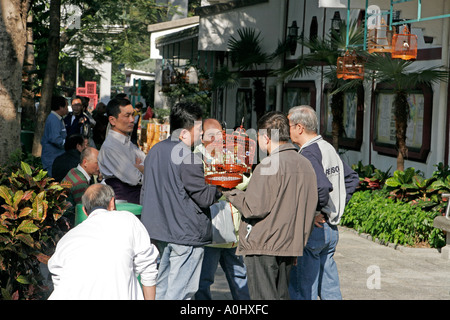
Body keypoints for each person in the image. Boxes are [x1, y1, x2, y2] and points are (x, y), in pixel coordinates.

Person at [222, 111, 318, 300]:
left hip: (264, 245)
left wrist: (230, 191)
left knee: (263, 298)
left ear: (266, 137)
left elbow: (254, 207)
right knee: (281, 295)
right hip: (290, 244)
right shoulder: (305, 164)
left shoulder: (269, 164)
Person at [140, 102, 222, 300]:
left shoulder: (155, 150)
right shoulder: (188, 157)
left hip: (159, 230)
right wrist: (220, 184)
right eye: (199, 130)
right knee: (181, 292)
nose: (201, 135)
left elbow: (146, 190)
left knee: (162, 287)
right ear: (185, 132)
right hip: (184, 234)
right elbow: (205, 197)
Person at [287, 105, 360, 300]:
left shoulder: (308, 154)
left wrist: (313, 213)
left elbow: (321, 187)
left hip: (314, 230)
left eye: (290, 126)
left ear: (299, 128)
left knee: (303, 288)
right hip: (330, 229)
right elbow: (352, 179)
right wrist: (336, 206)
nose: (288, 130)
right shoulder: (326, 147)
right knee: (329, 287)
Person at [47, 184, 159, 300]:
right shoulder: (128, 220)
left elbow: (59, 281)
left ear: (85, 211)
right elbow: (148, 269)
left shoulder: (66, 240)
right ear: (112, 203)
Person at [194, 118, 250, 300]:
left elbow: (245, 179)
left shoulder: (229, 153)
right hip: (212, 230)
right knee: (204, 280)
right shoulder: (197, 157)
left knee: (240, 278)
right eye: (215, 135)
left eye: (221, 134)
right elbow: (205, 185)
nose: (220, 138)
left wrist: (226, 185)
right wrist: (227, 185)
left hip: (234, 230)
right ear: (203, 137)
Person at [98, 98, 145, 204]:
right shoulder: (110, 147)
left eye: (133, 115)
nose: (132, 119)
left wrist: (140, 168)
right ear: (112, 120)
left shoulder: (129, 143)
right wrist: (141, 169)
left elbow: (149, 163)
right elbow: (134, 178)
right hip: (124, 205)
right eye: (127, 115)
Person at [61, 147, 100, 226]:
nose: (99, 167)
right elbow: (83, 213)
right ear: (85, 162)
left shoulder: (74, 171)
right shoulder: (81, 183)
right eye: (97, 163)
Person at [41, 95, 69, 177]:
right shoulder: (53, 119)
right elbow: (55, 139)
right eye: (66, 105)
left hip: (55, 158)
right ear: (61, 107)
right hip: (52, 159)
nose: (67, 108)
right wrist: (67, 144)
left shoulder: (56, 118)